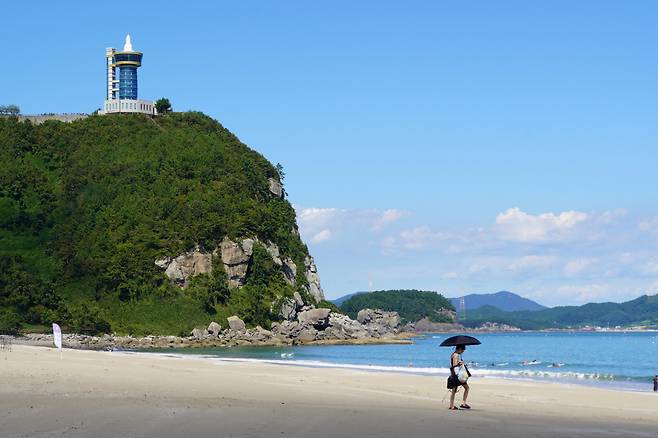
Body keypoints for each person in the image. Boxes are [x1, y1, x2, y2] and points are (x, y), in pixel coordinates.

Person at [448, 344, 471, 410]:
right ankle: (462, 403)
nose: (463, 351)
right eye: (463, 350)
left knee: (454, 390)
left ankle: (451, 405)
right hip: (458, 375)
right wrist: (460, 363)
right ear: (460, 349)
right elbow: (455, 365)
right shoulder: (456, 355)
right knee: (466, 388)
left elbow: (453, 365)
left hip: (454, 374)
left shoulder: (453, 354)